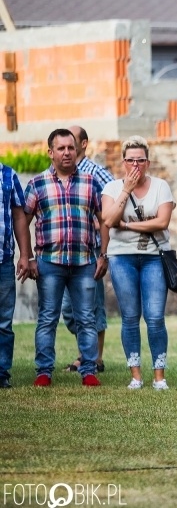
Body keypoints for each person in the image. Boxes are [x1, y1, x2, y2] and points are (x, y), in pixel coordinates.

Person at [24, 129, 108, 387]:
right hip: (49, 262)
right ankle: (43, 371)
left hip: (84, 262)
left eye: (70, 148)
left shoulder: (90, 182)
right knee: (48, 317)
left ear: (77, 150)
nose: (66, 153)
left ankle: (89, 370)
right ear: (51, 152)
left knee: (86, 317)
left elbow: (103, 219)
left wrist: (103, 255)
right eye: (60, 148)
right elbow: (22, 220)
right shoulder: (37, 184)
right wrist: (27, 256)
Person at [101, 136, 176, 390]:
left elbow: (162, 222)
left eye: (140, 160)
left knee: (155, 317)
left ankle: (159, 376)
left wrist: (128, 225)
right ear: (123, 162)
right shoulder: (112, 189)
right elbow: (109, 220)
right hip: (121, 257)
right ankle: (135, 375)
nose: (136, 165)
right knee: (130, 317)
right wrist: (126, 191)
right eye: (131, 160)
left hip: (155, 257)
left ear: (148, 162)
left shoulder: (161, 186)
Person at [63, 126, 114, 373]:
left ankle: (95, 358)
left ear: (83, 144)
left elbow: (115, 199)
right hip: (65, 253)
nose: (67, 148)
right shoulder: (61, 173)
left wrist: (101, 219)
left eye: (71, 142)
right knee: (69, 309)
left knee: (92, 304)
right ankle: (86, 351)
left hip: (90, 250)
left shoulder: (95, 173)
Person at [0, 160, 33, 388]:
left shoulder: (8, 175)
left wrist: (25, 255)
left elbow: (19, 216)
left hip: (2, 262)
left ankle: (1, 373)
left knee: (3, 322)